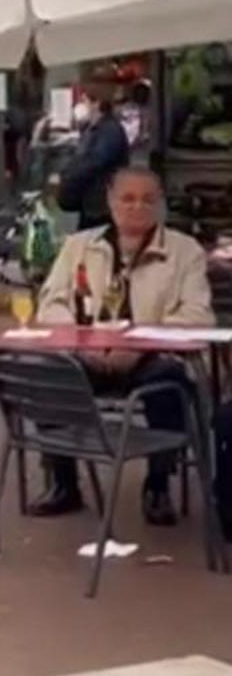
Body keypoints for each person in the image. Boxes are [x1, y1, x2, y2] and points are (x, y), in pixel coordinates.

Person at [30, 166, 214, 525]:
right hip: (87, 353)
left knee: (170, 381)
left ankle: (158, 485)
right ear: (111, 203)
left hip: (152, 356)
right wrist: (80, 342)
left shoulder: (185, 252)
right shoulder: (79, 246)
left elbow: (197, 315)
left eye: (147, 200)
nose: (137, 207)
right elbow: (51, 303)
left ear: (159, 204)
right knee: (47, 375)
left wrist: (140, 344)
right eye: (127, 199)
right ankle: (64, 483)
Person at [58, 97, 129, 232]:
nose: (82, 106)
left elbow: (96, 161)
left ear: (97, 104)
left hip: (101, 204)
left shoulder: (109, 130)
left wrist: (70, 174)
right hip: (91, 202)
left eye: (85, 101)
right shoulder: (94, 129)